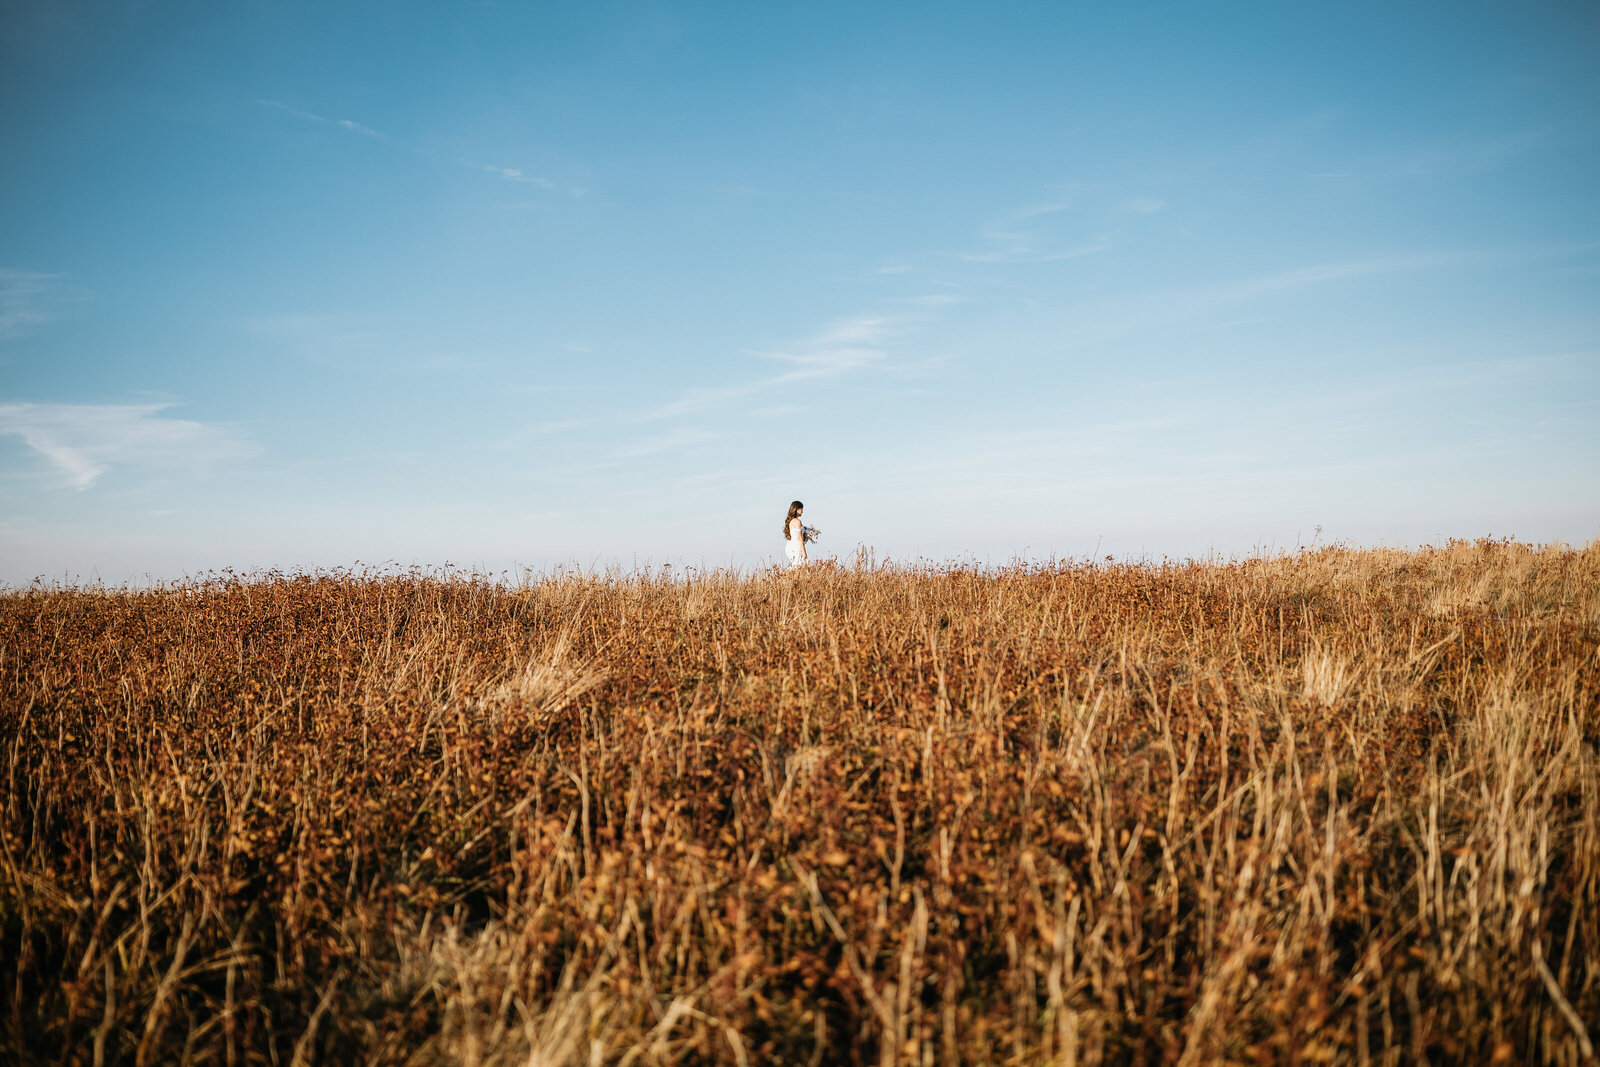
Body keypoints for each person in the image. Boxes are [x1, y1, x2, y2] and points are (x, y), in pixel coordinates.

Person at [784, 500, 818, 568]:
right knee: (799, 565)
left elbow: (799, 537)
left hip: (790, 546)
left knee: (797, 565)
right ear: (797, 509)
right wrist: (804, 552)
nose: (802, 511)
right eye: (801, 509)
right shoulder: (797, 522)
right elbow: (799, 538)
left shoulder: (791, 521)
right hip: (796, 547)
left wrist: (807, 537)